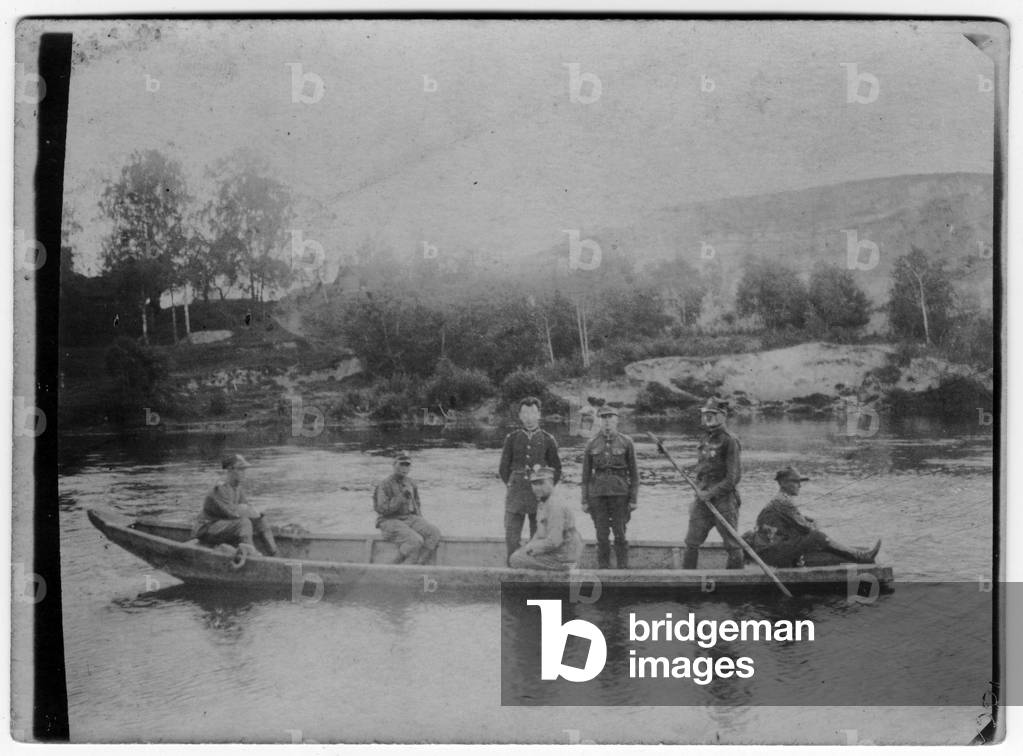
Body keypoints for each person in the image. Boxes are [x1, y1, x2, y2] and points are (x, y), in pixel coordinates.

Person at [743, 467, 882, 566]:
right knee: (817, 537)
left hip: (766, 551)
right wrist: (813, 524)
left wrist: (806, 521)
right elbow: (808, 529)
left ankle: (855, 555)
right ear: (783, 483)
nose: (799, 486)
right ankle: (861, 557)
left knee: (809, 536)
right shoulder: (784, 502)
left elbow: (790, 524)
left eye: (799, 482)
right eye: (795, 482)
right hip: (770, 555)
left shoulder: (779, 500)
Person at [498, 396, 562, 564]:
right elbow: (503, 469)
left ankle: (535, 569)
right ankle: (512, 567)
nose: (528, 417)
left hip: (538, 497)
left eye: (532, 413)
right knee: (512, 536)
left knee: (538, 535)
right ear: (520, 415)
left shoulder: (548, 439)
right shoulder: (512, 438)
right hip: (516, 494)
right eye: (525, 413)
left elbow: (557, 469)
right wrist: (513, 484)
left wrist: (545, 490)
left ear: (539, 415)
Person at [683, 398, 744, 570]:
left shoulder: (730, 441)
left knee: (732, 543)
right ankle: (687, 580)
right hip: (702, 499)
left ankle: (737, 583)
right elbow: (701, 469)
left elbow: (733, 478)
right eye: (705, 414)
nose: (708, 417)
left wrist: (710, 493)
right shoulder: (705, 437)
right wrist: (699, 492)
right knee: (691, 541)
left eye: (712, 414)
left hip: (724, 500)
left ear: (723, 416)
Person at [581, 406, 639, 568]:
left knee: (620, 533)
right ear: (599, 421)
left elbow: (634, 474)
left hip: (620, 494)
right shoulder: (591, 443)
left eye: (610, 418)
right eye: (603, 418)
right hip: (597, 495)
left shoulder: (626, 442)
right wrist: (584, 500)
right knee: (601, 534)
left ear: (616, 420)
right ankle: (603, 569)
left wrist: (633, 499)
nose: (607, 421)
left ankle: (622, 569)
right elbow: (585, 477)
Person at [194, 454, 279, 557]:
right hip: (207, 529)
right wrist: (248, 511)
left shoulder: (237, 487)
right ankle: (251, 555)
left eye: (244, 470)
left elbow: (247, 508)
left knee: (261, 519)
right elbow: (232, 513)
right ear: (230, 470)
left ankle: (274, 553)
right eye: (240, 469)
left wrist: (257, 514)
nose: (244, 473)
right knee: (244, 523)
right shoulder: (220, 488)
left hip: (224, 526)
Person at [374, 451, 442, 565]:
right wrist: (400, 498)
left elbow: (417, 505)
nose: (404, 468)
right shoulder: (384, 484)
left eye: (407, 465)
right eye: (401, 464)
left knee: (434, 533)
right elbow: (382, 509)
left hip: (409, 518)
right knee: (416, 540)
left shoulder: (411, 483)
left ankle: (419, 564)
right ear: (394, 465)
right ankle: (394, 565)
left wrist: (421, 521)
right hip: (389, 521)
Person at [509, 466, 583, 571]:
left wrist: (533, 548)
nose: (537, 488)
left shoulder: (554, 505)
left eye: (541, 483)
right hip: (559, 551)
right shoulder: (544, 501)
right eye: (534, 484)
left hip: (564, 555)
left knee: (515, 559)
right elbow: (540, 532)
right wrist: (529, 547)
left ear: (551, 483)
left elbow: (554, 541)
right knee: (520, 553)